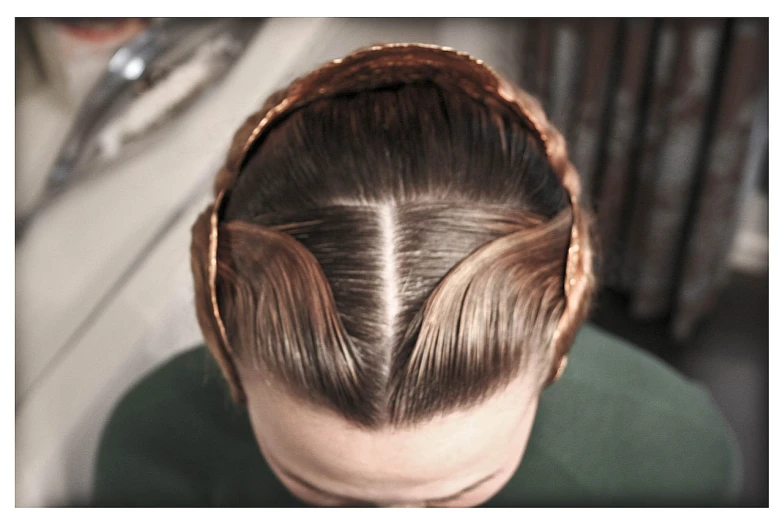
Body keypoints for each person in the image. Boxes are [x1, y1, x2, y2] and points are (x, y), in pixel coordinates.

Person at [92, 43, 741, 508]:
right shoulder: (149, 453)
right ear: (223, 340)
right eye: (324, 492)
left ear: (557, 335)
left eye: (457, 495)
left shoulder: (674, 457)